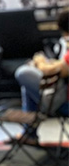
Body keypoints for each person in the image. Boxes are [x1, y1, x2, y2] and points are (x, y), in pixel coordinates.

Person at [13, 9, 69, 141]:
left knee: (23, 73)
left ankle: (30, 132)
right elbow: (60, 65)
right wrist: (45, 63)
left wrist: (40, 62)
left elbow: (57, 70)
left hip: (64, 102)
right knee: (27, 85)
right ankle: (30, 133)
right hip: (61, 94)